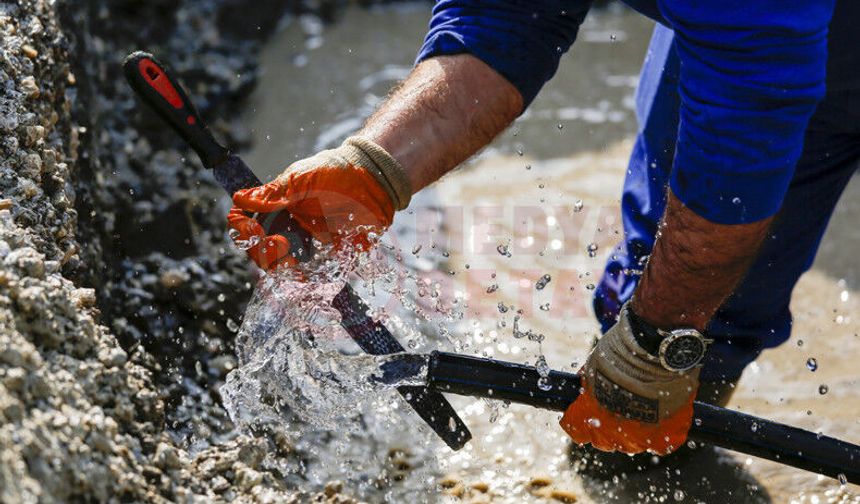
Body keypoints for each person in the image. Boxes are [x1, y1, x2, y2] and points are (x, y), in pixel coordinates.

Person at [228, 0, 857, 467]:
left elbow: (742, 149)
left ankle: (670, 395)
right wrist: (374, 170)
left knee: (693, 309)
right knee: (675, 265)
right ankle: (640, 437)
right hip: (756, 30)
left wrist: (659, 342)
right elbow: (505, 18)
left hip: (782, 28)